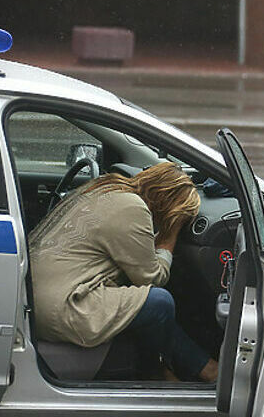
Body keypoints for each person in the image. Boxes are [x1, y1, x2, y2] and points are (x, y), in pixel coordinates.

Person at [28, 162, 218, 382]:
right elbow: (152, 278)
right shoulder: (132, 208)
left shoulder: (104, 188)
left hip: (35, 300)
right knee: (158, 302)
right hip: (65, 306)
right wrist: (172, 231)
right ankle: (202, 370)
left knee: (135, 302)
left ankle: (161, 370)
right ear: (169, 204)